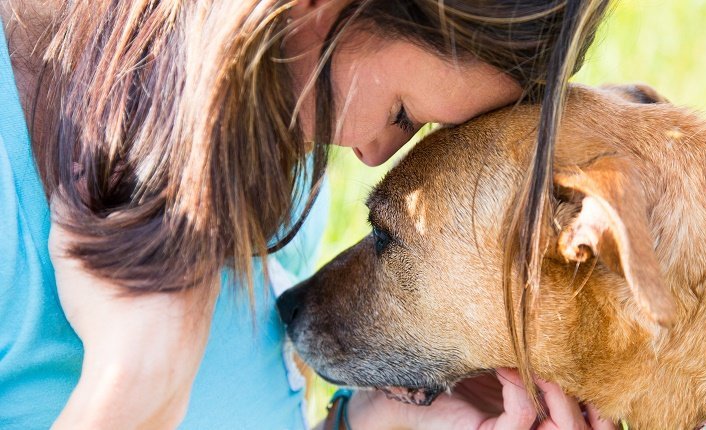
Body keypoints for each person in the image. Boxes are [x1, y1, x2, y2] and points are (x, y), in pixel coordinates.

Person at [0, 0, 618, 428]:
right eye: (402, 113)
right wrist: (132, 389)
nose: (376, 154)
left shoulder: (275, 148)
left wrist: (373, 420)